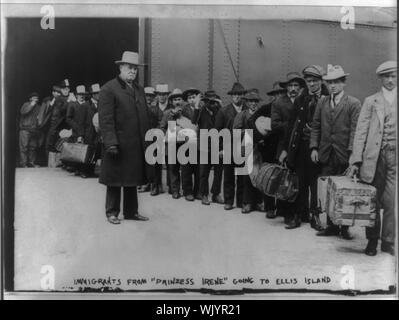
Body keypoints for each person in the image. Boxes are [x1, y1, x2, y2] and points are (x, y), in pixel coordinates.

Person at [348, 60, 397, 256]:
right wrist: (356, 160)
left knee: (392, 200)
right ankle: (372, 241)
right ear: (380, 78)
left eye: (394, 76)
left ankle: (388, 241)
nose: (391, 80)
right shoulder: (371, 101)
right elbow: (360, 132)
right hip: (374, 158)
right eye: (387, 76)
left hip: (395, 156)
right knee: (373, 200)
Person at [98, 51, 154, 224]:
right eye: (129, 68)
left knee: (132, 178)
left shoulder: (139, 89)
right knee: (115, 179)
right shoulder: (109, 89)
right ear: (121, 67)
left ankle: (131, 212)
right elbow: (106, 119)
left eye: (135, 69)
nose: (133, 72)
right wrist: (111, 143)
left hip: (136, 143)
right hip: (118, 143)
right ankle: (112, 212)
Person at [310, 64, 361, 239]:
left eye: (336, 82)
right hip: (325, 153)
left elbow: (356, 131)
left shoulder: (353, 103)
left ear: (343, 83)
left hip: (343, 154)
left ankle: (344, 227)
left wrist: (352, 156)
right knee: (328, 190)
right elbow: (316, 126)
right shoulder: (323, 101)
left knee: (345, 190)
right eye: (330, 82)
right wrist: (314, 147)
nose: (332, 86)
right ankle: (331, 226)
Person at [280, 66, 329, 230]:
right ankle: (299, 215)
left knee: (315, 183)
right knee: (299, 182)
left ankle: (315, 216)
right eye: (309, 81)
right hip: (300, 147)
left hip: (318, 148)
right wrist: (286, 149)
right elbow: (291, 125)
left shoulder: (327, 98)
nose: (312, 84)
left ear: (321, 81)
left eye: (315, 80)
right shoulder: (302, 99)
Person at [271, 72, 305, 226]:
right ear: (286, 88)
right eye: (290, 86)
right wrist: (293, 127)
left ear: (300, 87)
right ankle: (285, 212)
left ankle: (301, 212)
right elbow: (275, 124)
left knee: (300, 179)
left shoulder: (305, 100)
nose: (292, 88)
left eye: (295, 85)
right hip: (284, 145)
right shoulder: (278, 103)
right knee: (285, 179)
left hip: (300, 146)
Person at [247, 81, 285, 219]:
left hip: (282, 149)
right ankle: (269, 207)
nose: (279, 96)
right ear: (272, 96)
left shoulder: (288, 108)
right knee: (269, 177)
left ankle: (281, 208)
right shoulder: (266, 108)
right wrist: (259, 138)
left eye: (282, 93)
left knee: (282, 177)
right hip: (267, 149)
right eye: (276, 94)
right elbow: (251, 121)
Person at [215, 82, 247, 210]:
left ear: (243, 96)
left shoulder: (247, 109)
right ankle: (228, 201)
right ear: (231, 96)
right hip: (228, 147)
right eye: (234, 95)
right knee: (228, 175)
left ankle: (240, 201)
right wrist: (221, 148)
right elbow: (217, 131)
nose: (237, 97)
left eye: (239, 94)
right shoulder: (224, 111)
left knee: (242, 176)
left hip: (243, 148)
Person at [191, 90, 224, 206]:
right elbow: (194, 121)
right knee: (203, 172)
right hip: (205, 146)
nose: (211, 103)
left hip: (217, 145)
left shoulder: (219, 110)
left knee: (218, 172)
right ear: (205, 101)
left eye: (213, 101)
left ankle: (215, 194)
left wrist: (220, 105)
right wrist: (196, 104)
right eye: (209, 101)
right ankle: (204, 194)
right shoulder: (201, 110)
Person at [233, 90, 263, 214]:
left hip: (261, 150)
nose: (253, 104)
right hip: (247, 148)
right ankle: (247, 203)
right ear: (247, 102)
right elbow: (235, 131)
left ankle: (259, 202)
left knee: (259, 175)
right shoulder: (242, 115)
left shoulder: (262, 114)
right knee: (247, 177)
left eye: (256, 101)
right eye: (251, 101)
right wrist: (250, 133)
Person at [160, 88, 185, 199]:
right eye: (175, 100)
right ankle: (175, 190)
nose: (177, 102)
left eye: (179, 99)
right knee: (173, 168)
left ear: (182, 101)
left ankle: (187, 190)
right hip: (172, 144)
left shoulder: (187, 112)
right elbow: (162, 127)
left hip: (185, 144)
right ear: (171, 102)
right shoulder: (166, 113)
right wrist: (170, 133)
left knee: (185, 168)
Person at [149, 84, 172, 196]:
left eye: (164, 94)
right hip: (156, 137)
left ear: (168, 95)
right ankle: (156, 185)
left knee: (170, 162)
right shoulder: (152, 108)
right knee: (156, 162)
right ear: (157, 95)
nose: (162, 97)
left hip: (169, 137)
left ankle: (171, 186)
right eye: (160, 94)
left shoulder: (172, 108)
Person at [181, 88, 202, 201]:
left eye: (194, 97)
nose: (192, 100)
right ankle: (187, 191)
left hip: (199, 142)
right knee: (187, 168)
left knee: (199, 168)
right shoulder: (184, 110)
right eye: (189, 98)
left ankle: (198, 191)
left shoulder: (202, 108)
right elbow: (192, 123)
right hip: (187, 141)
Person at [138, 86, 157, 193]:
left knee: (151, 162)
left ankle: (152, 184)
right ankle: (144, 182)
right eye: (147, 95)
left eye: (151, 96)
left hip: (152, 137)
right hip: (141, 137)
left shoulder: (154, 108)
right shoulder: (139, 107)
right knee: (142, 161)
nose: (148, 98)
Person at [37, 85, 61, 165]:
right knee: (45, 144)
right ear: (53, 92)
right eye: (56, 92)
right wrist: (51, 104)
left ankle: (54, 163)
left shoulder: (61, 100)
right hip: (46, 126)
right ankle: (46, 162)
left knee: (54, 144)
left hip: (56, 126)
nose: (58, 94)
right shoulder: (47, 100)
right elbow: (43, 112)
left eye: (59, 92)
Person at [46, 79, 71, 153]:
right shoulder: (58, 99)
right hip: (59, 123)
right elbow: (62, 110)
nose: (65, 91)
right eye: (64, 89)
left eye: (67, 89)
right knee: (54, 142)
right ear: (61, 90)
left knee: (67, 143)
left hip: (68, 124)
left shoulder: (72, 97)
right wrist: (69, 101)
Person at [19, 92, 41, 167]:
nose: (35, 99)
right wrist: (31, 105)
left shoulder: (38, 107)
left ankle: (32, 163)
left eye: (36, 98)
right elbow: (23, 112)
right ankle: (23, 163)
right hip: (25, 129)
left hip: (34, 130)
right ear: (30, 99)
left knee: (33, 147)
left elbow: (40, 118)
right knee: (24, 147)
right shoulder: (26, 105)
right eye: (34, 98)